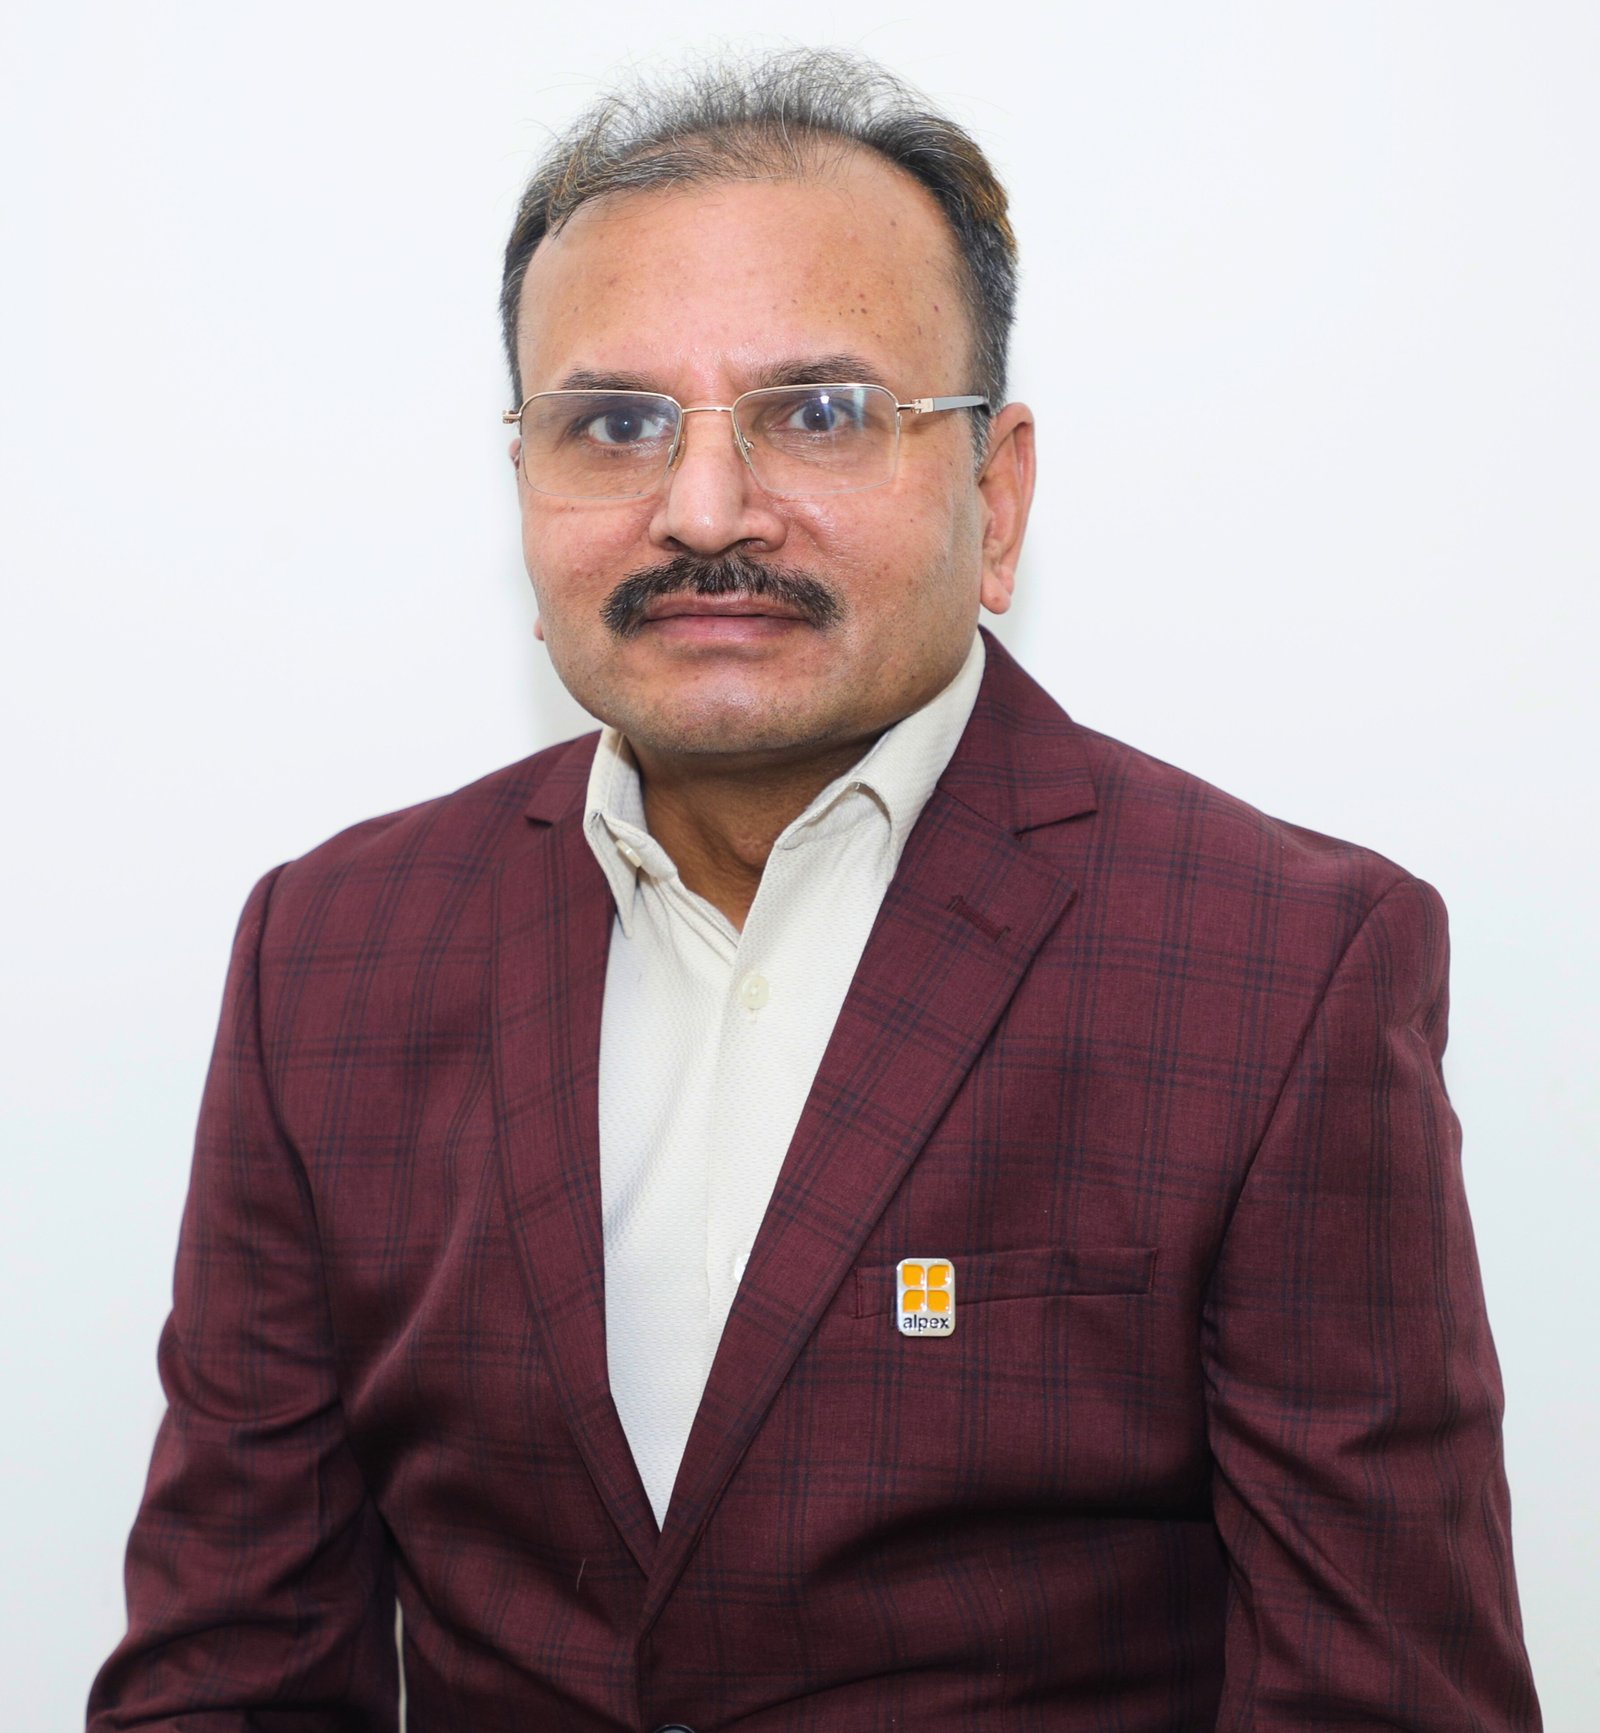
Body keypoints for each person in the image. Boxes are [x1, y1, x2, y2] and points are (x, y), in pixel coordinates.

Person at [89, 47, 1542, 1733]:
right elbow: (231, 1669)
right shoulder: (329, 956)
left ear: (996, 497)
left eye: (822, 413)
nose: (704, 508)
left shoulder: (1280, 968)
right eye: (614, 424)